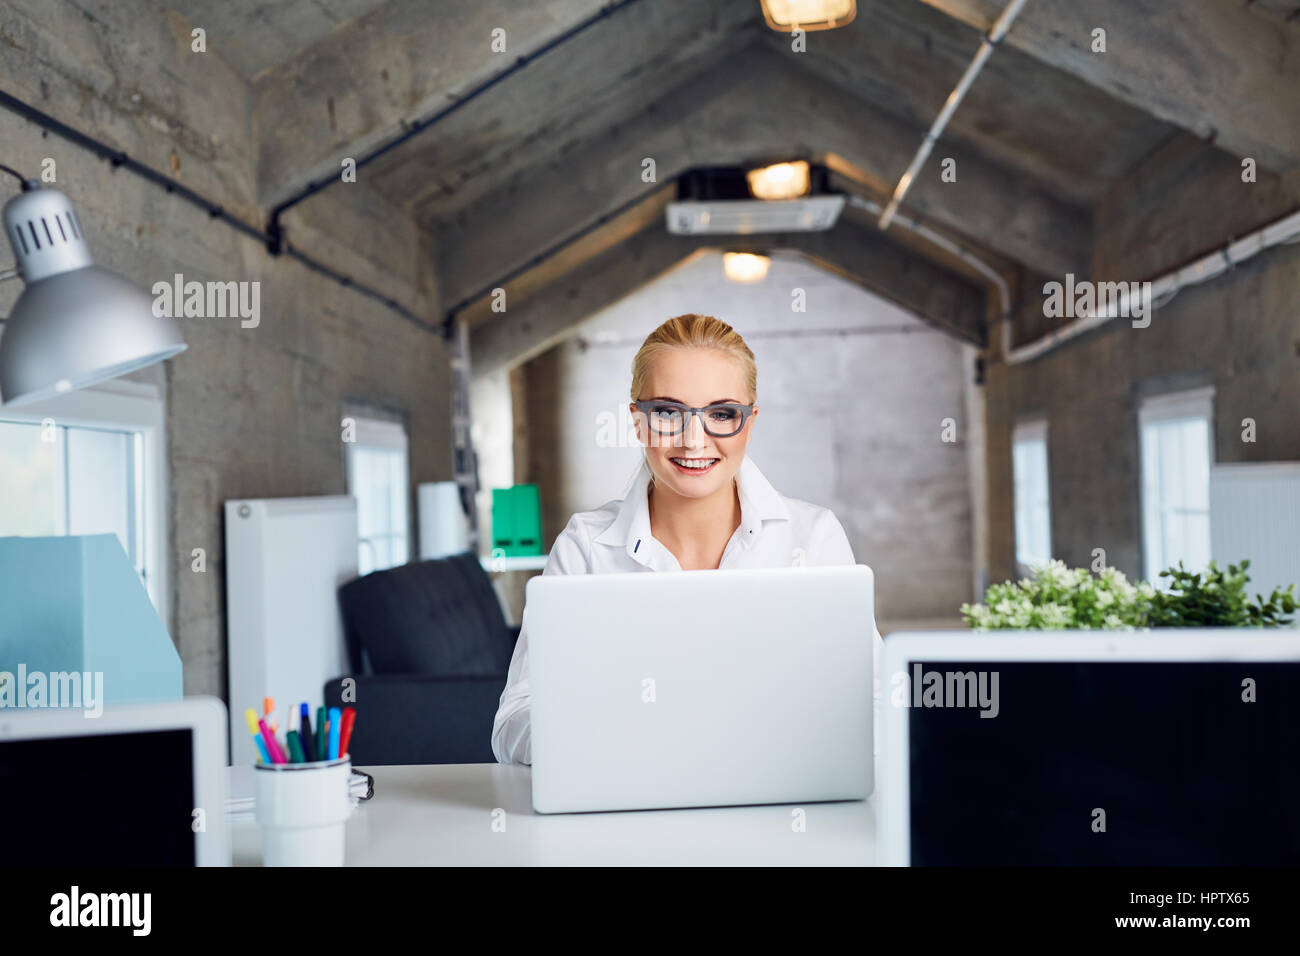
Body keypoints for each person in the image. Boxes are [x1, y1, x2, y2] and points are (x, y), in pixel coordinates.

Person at [491, 313, 882, 766]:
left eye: (721, 414)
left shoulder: (812, 539)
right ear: (637, 422)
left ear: (749, 422)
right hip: (628, 804)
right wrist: (628, 745)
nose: (694, 440)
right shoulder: (587, 547)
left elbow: (874, 698)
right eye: (667, 413)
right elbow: (516, 720)